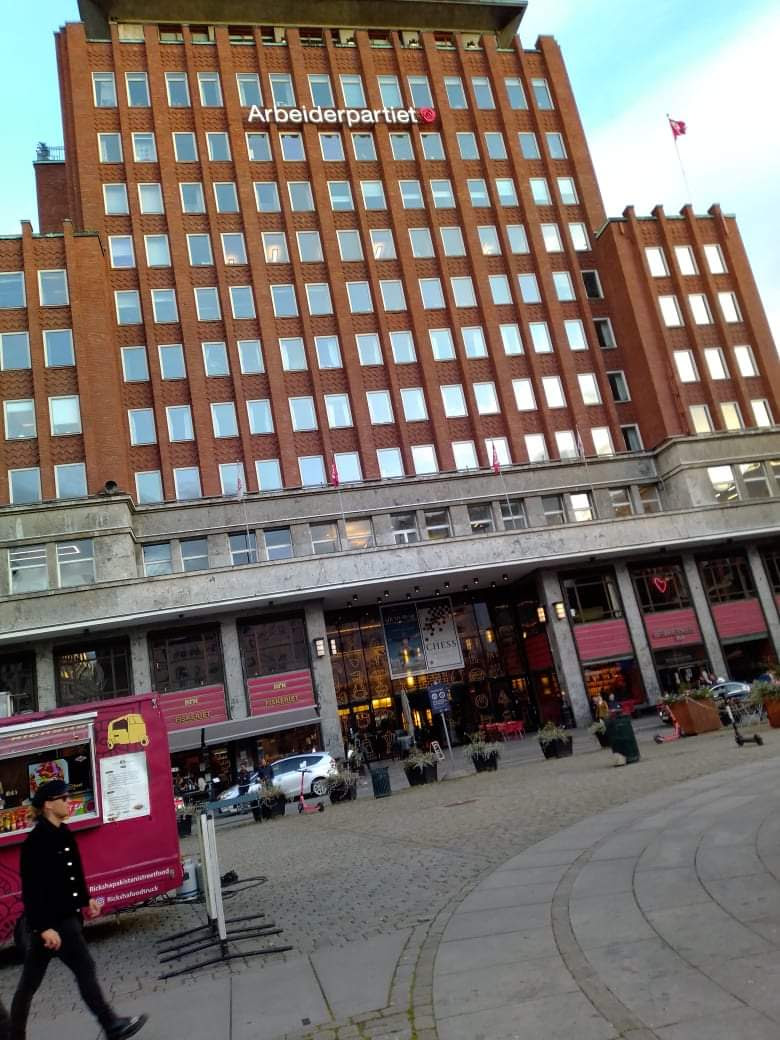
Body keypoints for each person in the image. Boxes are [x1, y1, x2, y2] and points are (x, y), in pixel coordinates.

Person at [10, 779, 147, 1040]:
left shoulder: (63, 832)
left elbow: (72, 874)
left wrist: (86, 899)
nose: (68, 802)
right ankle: (112, 1025)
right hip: (55, 923)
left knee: (29, 984)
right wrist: (43, 927)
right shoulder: (36, 842)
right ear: (49, 805)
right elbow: (32, 890)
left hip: (64, 919)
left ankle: (13, 1036)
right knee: (83, 969)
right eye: (63, 798)